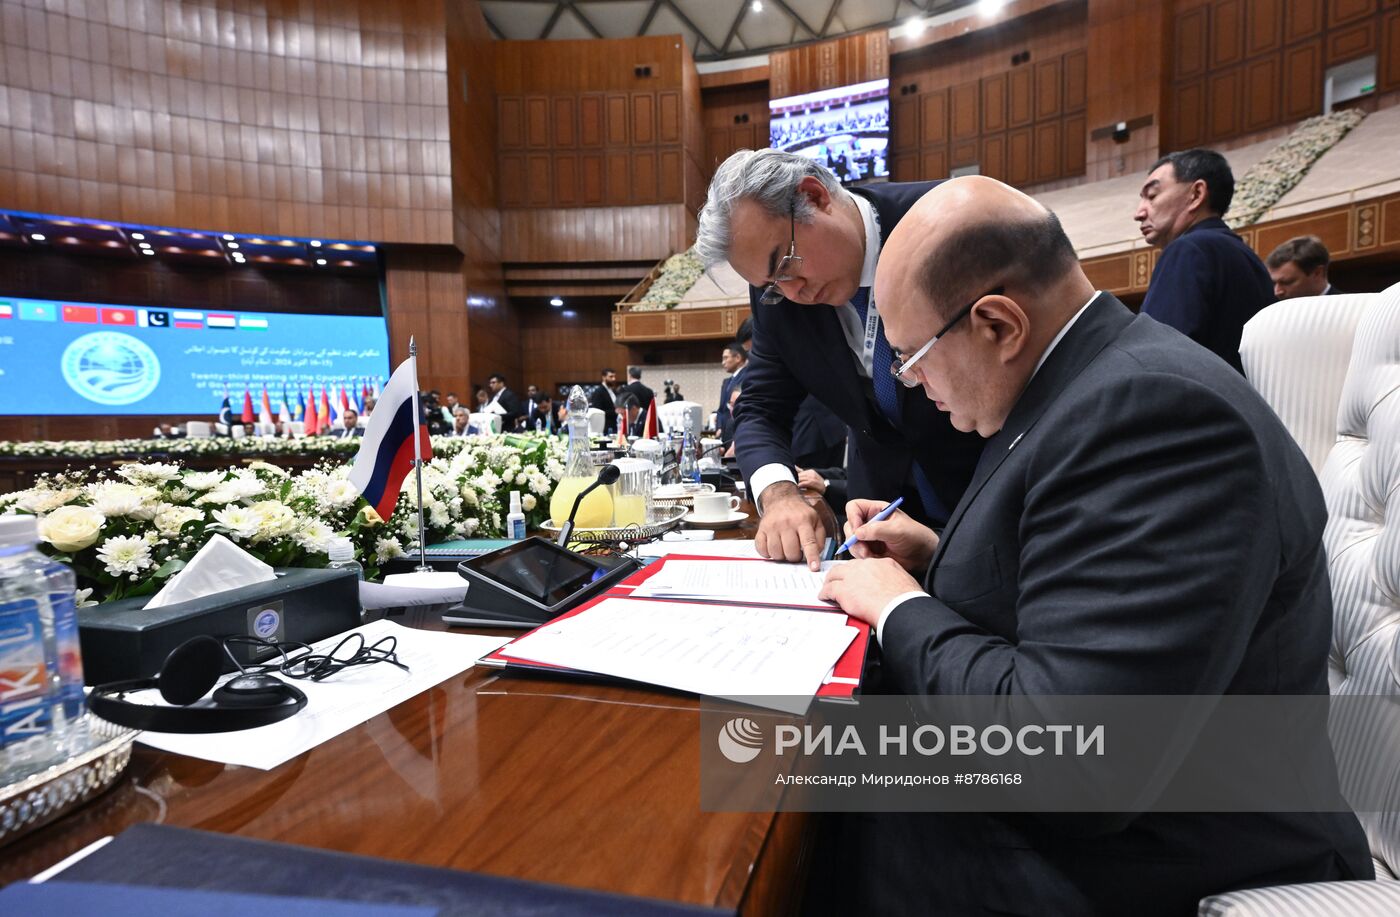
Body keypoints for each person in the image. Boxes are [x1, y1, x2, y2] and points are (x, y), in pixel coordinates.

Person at [814, 176, 1371, 914]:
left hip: (1179, 846)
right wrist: (940, 552)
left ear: (999, 324)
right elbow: (1082, 584)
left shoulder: (1157, 414)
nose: (911, 385)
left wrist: (902, 608)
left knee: (804, 827)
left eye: (913, 358)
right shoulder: (1084, 381)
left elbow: (1074, 760)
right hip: (1137, 810)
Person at [695, 148, 984, 570]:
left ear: (814, 197)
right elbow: (760, 408)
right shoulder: (776, 295)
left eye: (786, 264)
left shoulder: (949, 221)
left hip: (987, 505)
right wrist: (778, 493)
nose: (793, 293)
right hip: (875, 521)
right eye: (772, 284)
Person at [1135, 148, 1274, 373]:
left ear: (1197, 194)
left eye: (1152, 196)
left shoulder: (1187, 250)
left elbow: (1157, 359)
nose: (1139, 213)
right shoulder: (1245, 255)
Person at [1266, 235, 1341, 299]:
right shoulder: (1275, 311)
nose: (1277, 292)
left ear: (1317, 273)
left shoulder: (1349, 308)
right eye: (1273, 283)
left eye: (1287, 282)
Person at [715, 343, 747, 441]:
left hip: (738, 431)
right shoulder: (726, 382)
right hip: (724, 431)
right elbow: (721, 409)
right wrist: (719, 427)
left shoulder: (748, 376)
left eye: (725, 358)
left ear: (737, 357)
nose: (723, 362)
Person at [588, 367, 619, 434]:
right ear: (604, 377)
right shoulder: (599, 392)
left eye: (614, 376)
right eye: (611, 377)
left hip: (615, 425)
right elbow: (597, 411)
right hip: (605, 426)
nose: (614, 379)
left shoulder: (614, 391)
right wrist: (615, 412)